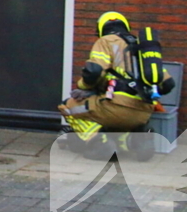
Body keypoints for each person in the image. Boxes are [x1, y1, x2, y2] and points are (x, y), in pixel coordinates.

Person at [59, 11, 176, 143]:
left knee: (67, 107)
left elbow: (94, 72)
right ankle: (130, 141)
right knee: (113, 116)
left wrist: (82, 87)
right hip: (144, 113)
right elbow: (168, 84)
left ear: (101, 29)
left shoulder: (105, 41)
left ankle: (99, 141)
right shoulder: (142, 48)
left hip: (114, 107)